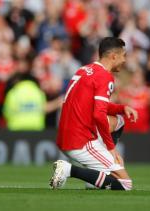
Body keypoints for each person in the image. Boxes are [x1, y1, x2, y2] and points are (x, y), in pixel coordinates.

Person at [49, 37, 138, 191]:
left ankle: (97, 177)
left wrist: (122, 108)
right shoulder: (105, 77)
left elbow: (94, 105)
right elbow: (98, 114)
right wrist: (111, 148)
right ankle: (68, 170)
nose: (124, 60)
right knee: (126, 184)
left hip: (66, 135)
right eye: (124, 55)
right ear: (113, 57)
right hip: (81, 140)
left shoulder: (84, 70)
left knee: (119, 120)